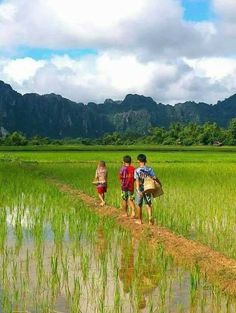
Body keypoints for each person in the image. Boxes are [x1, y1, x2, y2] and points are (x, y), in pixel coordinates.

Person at [134, 154, 160, 225]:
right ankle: (150, 219)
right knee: (148, 204)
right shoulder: (149, 169)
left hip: (141, 189)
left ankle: (140, 220)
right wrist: (159, 183)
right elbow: (154, 177)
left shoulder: (137, 170)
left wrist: (138, 190)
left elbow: (137, 181)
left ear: (138, 161)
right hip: (148, 188)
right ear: (145, 161)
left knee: (139, 204)